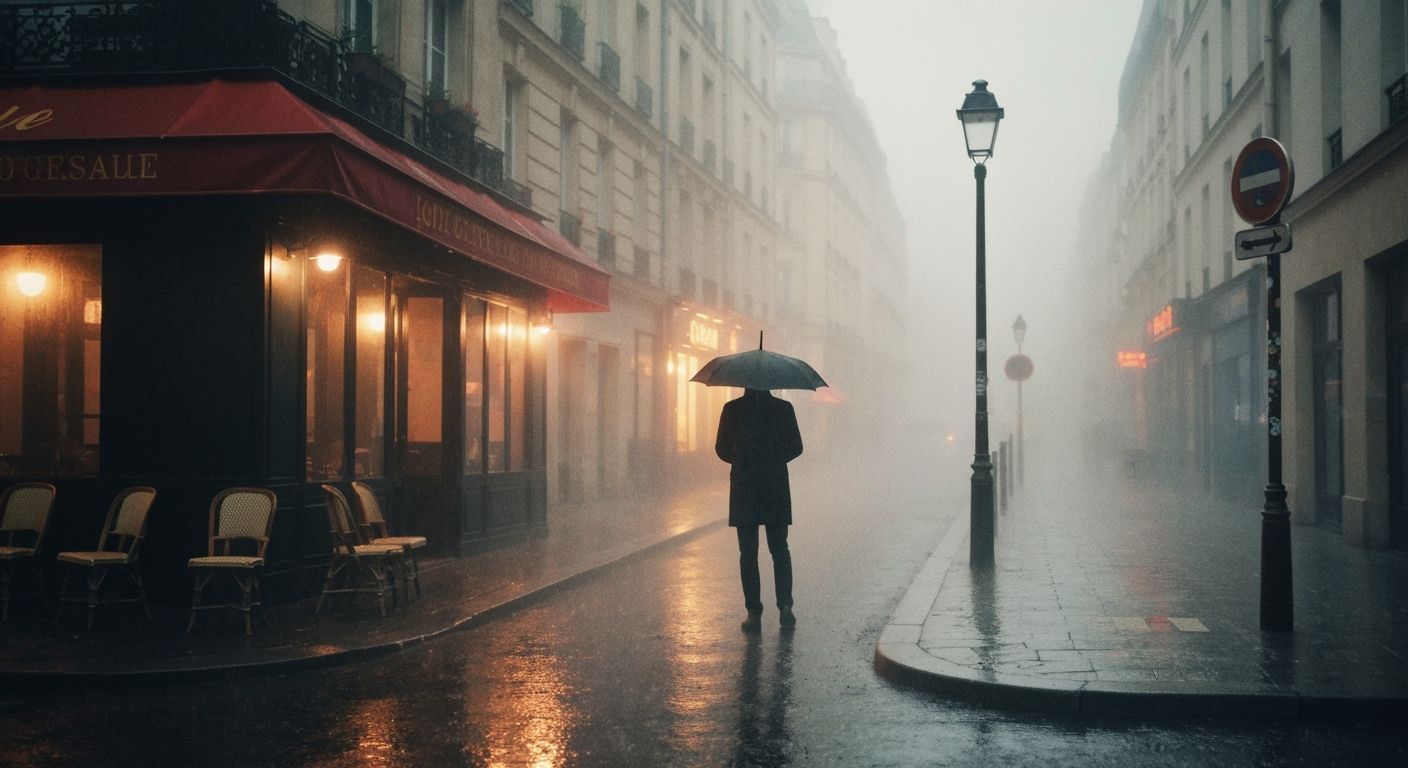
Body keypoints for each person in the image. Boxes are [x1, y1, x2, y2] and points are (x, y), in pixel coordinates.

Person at [714, 387, 804, 632]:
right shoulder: (783, 409)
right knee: (779, 549)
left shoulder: (732, 410)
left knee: (748, 553)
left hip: (745, 487)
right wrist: (772, 458)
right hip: (774, 486)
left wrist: (744, 457)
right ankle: (785, 607)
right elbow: (796, 447)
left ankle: (754, 612)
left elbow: (721, 449)